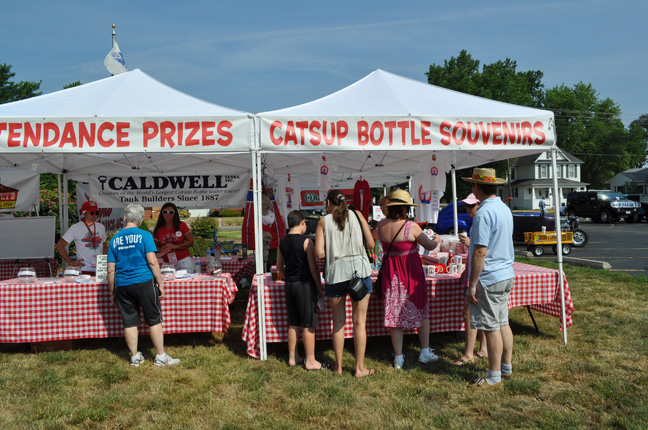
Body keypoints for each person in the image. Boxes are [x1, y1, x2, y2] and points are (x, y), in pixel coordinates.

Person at [107, 203, 180, 367]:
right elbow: (153, 262)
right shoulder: (145, 235)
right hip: (144, 281)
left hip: (123, 284)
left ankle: (134, 356)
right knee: (154, 320)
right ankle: (160, 356)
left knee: (130, 322)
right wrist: (160, 283)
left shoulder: (114, 239)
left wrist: (112, 291)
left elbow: (110, 270)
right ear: (140, 221)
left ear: (125, 218)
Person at [463, 167, 515, 390]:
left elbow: (480, 251)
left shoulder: (484, 213)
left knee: (492, 326)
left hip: (490, 275)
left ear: (476, 187)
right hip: (505, 273)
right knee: (502, 322)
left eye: (472, 185)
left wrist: (472, 284)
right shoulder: (503, 208)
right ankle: (506, 367)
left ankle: (494, 376)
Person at [315, 189, 376, 378]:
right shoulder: (357, 215)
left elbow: (319, 253)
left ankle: (339, 366)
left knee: (338, 322)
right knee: (360, 322)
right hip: (360, 271)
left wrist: (334, 250)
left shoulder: (323, 221)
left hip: (336, 274)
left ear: (328, 203)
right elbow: (371, 244)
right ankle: (359, 368)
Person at [377, 190, 440, 369]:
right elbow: (429, 244)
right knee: (421, 310)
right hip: (410, 273)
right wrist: (436, 237)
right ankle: (425, 351)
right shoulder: (410, 226)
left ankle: (398, 357)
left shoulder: (380, 225)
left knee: (394, 314)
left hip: (391, 273)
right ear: (404, 208)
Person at [277, 210, 326, 371]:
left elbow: (278, 267)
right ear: (303, 222)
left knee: (293, 322)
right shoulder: (307, 242)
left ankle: (293, 357)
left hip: (290, 285)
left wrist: (287, 277)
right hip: (305, 285)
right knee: (308, 323)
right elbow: (314, 269)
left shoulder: (282, 241)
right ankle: (310, 360)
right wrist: (320, 290)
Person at [454, 193, 488, 365]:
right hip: (477, 272)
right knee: (478, 312)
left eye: (471, 206)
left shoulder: (481, 221)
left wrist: (469, 243)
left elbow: (481, 252)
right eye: (466, 206)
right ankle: (483, 349)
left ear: (479, 205)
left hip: (480, 273)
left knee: (469, 313)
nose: (468, 209)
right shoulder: (478, 220)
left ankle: (469, 354)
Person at [56, 200, 107, 275]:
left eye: (97, 213)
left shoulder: (101, 227)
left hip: (100, 270)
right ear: (84, 214)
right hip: (84, 269)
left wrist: (104, 262)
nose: (95, 215)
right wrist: (70, 261)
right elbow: (59, 245)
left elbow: (104, 246)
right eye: (92, 213)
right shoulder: (76, 228)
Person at [153, 202, 195, 273]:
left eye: (171, 212)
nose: (168, 214)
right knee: (168, 283)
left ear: (175, 214)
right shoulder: (158, 229)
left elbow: (191, 242)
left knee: (186, 282)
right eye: (165, 212)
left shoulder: (182, 225)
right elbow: (155, 247)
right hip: (167, 263)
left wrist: (175, 246)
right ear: (162, 214)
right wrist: (161, 250)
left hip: (183, 260)